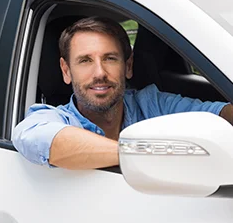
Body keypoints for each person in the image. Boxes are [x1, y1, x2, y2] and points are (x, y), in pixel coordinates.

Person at [13, 16, 233, 170]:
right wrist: (150, 153)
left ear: (128, 66)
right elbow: (36, 137)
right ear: (66, 71)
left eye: (110, 58)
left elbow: (217, 114)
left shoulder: (150, 104)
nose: (99, 73)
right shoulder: (54, 118)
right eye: (85, 61)